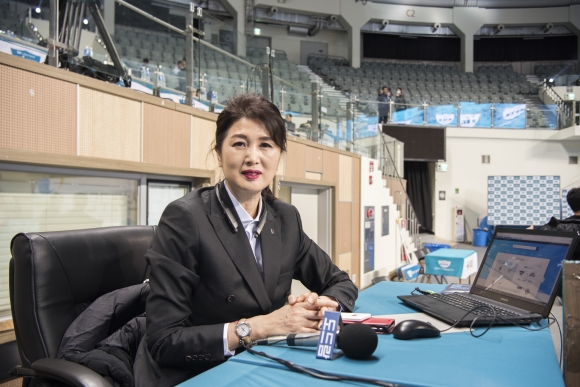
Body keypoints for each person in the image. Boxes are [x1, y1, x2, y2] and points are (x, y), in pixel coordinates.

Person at [134, 93, 358, 387]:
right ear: (218, 153)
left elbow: (341, 283)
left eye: (266, 145)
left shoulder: (285, 218)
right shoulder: (185, 219)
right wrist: (263, 326)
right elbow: (164, 342)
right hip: (199, 373)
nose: (253, 157)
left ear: (279, 155)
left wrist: (325, 304)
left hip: (265, 365)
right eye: (239, 144)